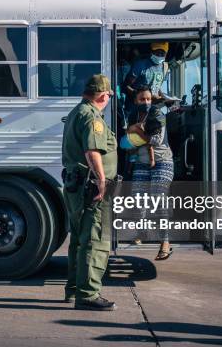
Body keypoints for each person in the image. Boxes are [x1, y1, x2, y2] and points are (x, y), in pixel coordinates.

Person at [61, 74, 118, 311]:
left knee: (79, 240)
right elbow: (92, 150)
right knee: (95, 239)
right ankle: (88, 294)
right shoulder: (92, 117)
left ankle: (74, 289)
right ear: (103, 95)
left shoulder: (77, 111)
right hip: (91, 187)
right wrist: (102, 180)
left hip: (78, 185)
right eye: (108, 96)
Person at [120, 85, 175, 260]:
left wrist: (136, 131)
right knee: (138, 199)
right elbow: (127, 137)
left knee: (158, 198)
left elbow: (157, 140)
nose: (146, 102)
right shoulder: (132, 115)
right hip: (141, 161)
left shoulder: (158, 114)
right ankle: (142, 232)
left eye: (148, 99)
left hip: (162, 161)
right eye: (142, 99)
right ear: (136, 101)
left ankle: (165, 241)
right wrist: (134, 132)